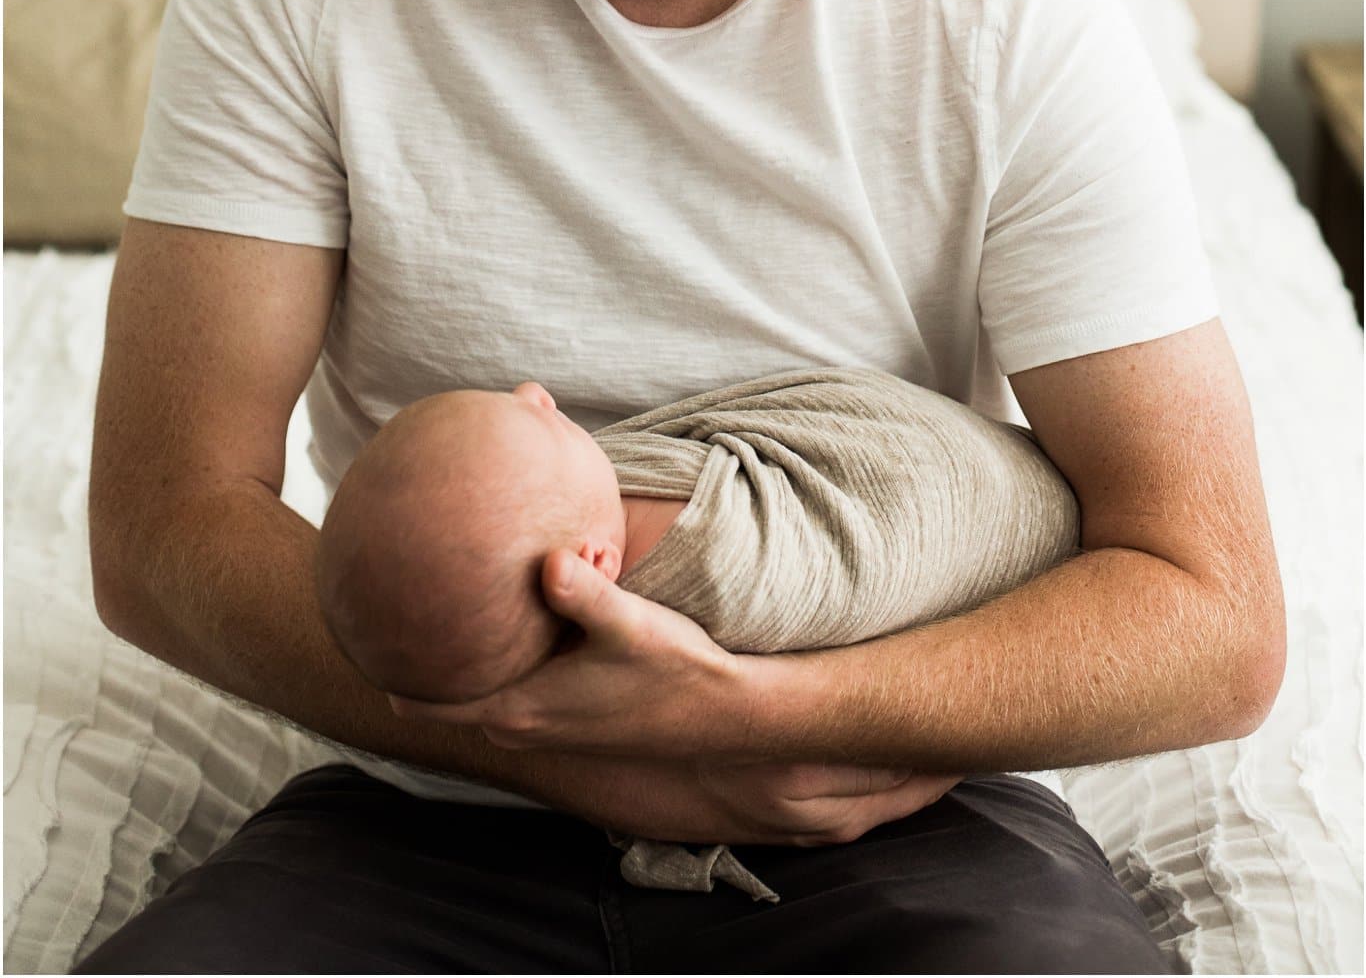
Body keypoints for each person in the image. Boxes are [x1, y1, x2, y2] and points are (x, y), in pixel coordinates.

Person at [82, 0, 1285, 975]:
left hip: (875, 795)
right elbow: (165, 520)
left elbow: (1209, 614)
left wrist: (775, 720)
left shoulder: (998, 6)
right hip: (430, 783)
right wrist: (558, 742)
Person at [315, 367, 1084, 907]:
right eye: (539, 424)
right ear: (590, 567)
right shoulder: (717, 555)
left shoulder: (559, 544)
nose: (535, 394)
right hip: (998, 518)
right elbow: (822, 568)